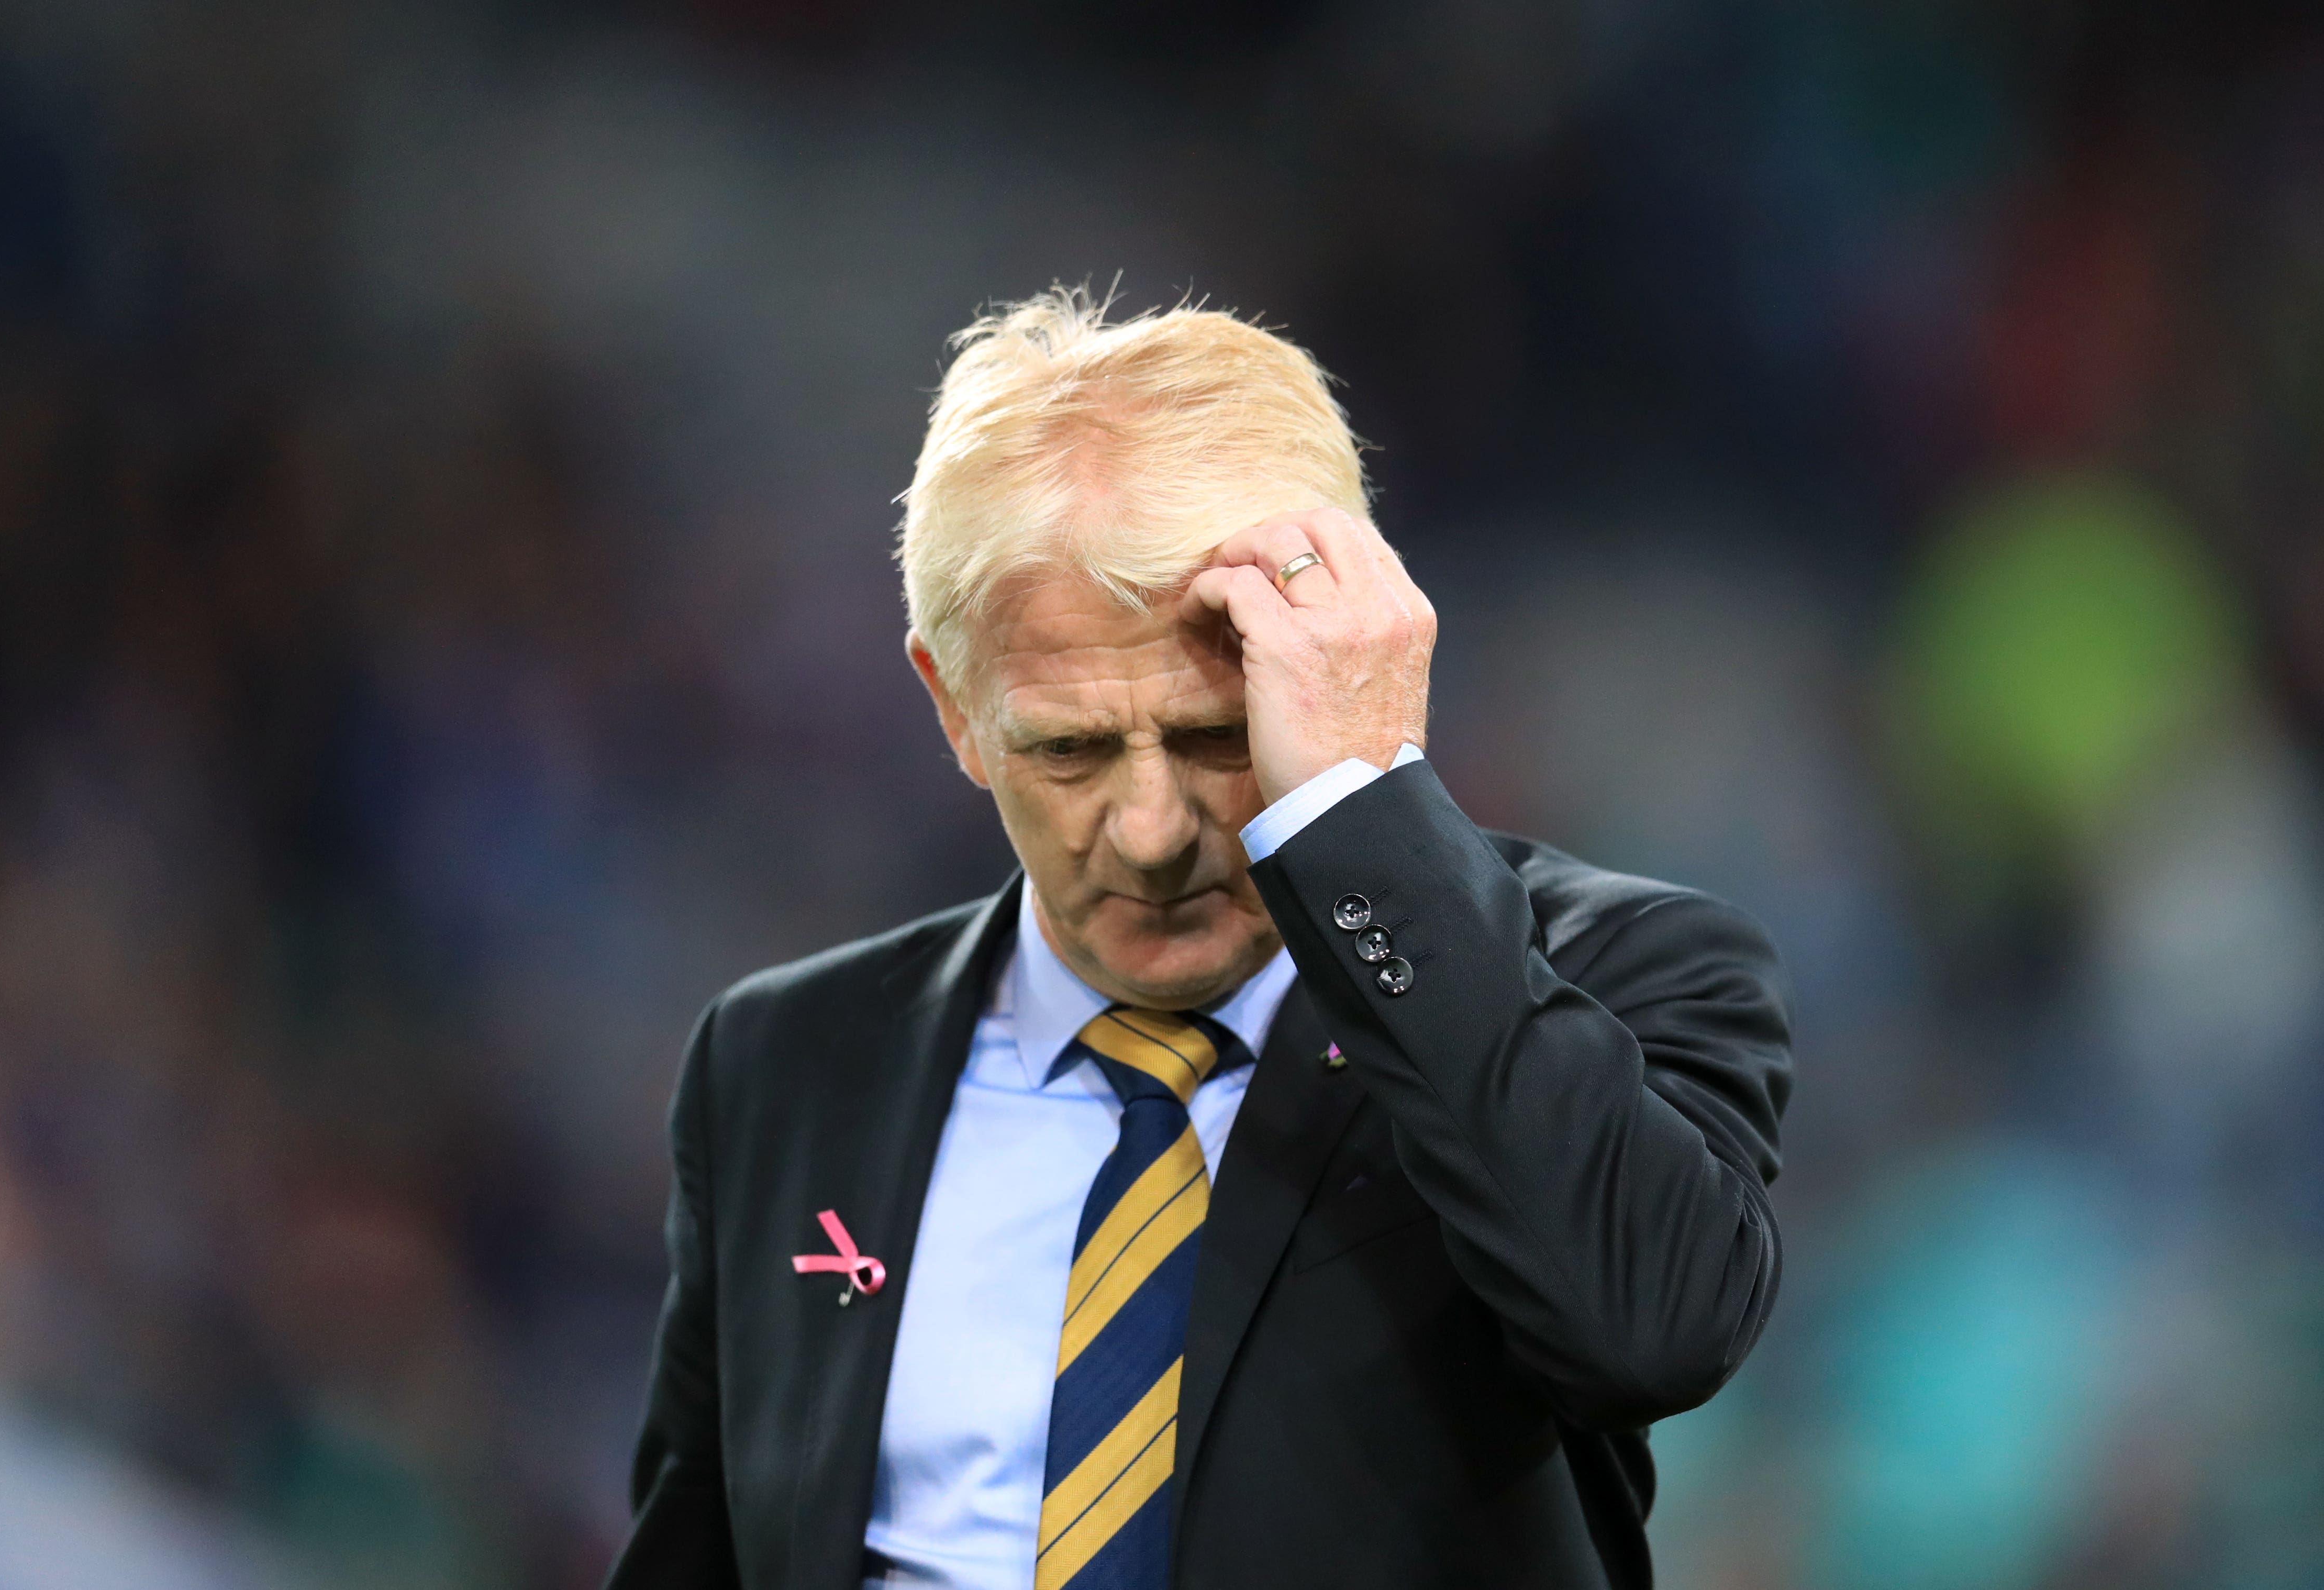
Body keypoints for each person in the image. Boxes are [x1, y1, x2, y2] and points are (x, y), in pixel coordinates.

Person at [603, 288, 1793, 1590]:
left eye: (1221, 736)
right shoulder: (787, 1059)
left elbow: (1653, 1332)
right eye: (1067, 749)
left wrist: (1361, 804)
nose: (1151, 830)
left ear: (1339, 666)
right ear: (952, 707)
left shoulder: (1617, 974)